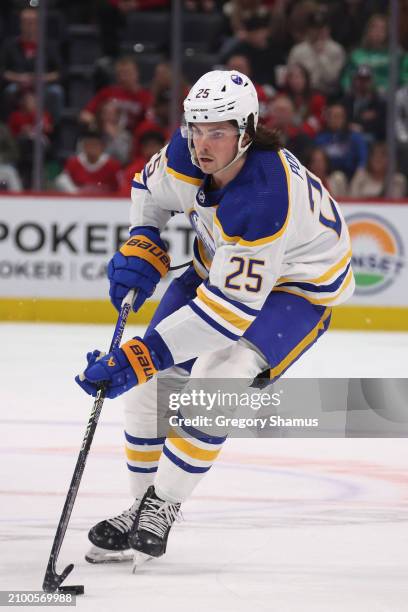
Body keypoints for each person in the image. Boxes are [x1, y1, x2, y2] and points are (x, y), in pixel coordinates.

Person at [75, 70, 354, 567]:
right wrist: (144, 238)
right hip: (217, 265)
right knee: (150, 385)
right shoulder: (189, 149)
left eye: (217, 132)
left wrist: (140, 354)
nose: (202, 143)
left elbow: (225, 317)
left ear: (246, 131)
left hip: (295, 290)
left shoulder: (263, 199)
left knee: (217, 376)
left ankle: (164, 505)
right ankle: (140, 506)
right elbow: (150, 190)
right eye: (195, 128)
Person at [55, 129, 121, 194]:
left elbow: (121, 185)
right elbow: (62, 180)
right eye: (89, 145)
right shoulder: (74, 162)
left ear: (102, 146)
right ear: (84, 146)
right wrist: (75, 192)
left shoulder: (112, 165)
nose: (92, 148)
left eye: (95, 145)